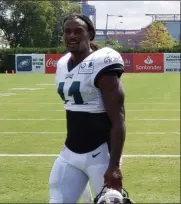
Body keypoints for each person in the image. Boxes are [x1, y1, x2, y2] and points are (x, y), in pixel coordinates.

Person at [49, 13, 126, 203]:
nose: (72, 36)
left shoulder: (102, 62)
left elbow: (118, 119)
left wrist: (114, 165)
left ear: (89, 33)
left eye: (78, 31)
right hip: (69, 153)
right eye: (67, 32)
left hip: (100, 156)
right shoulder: (62, 63)